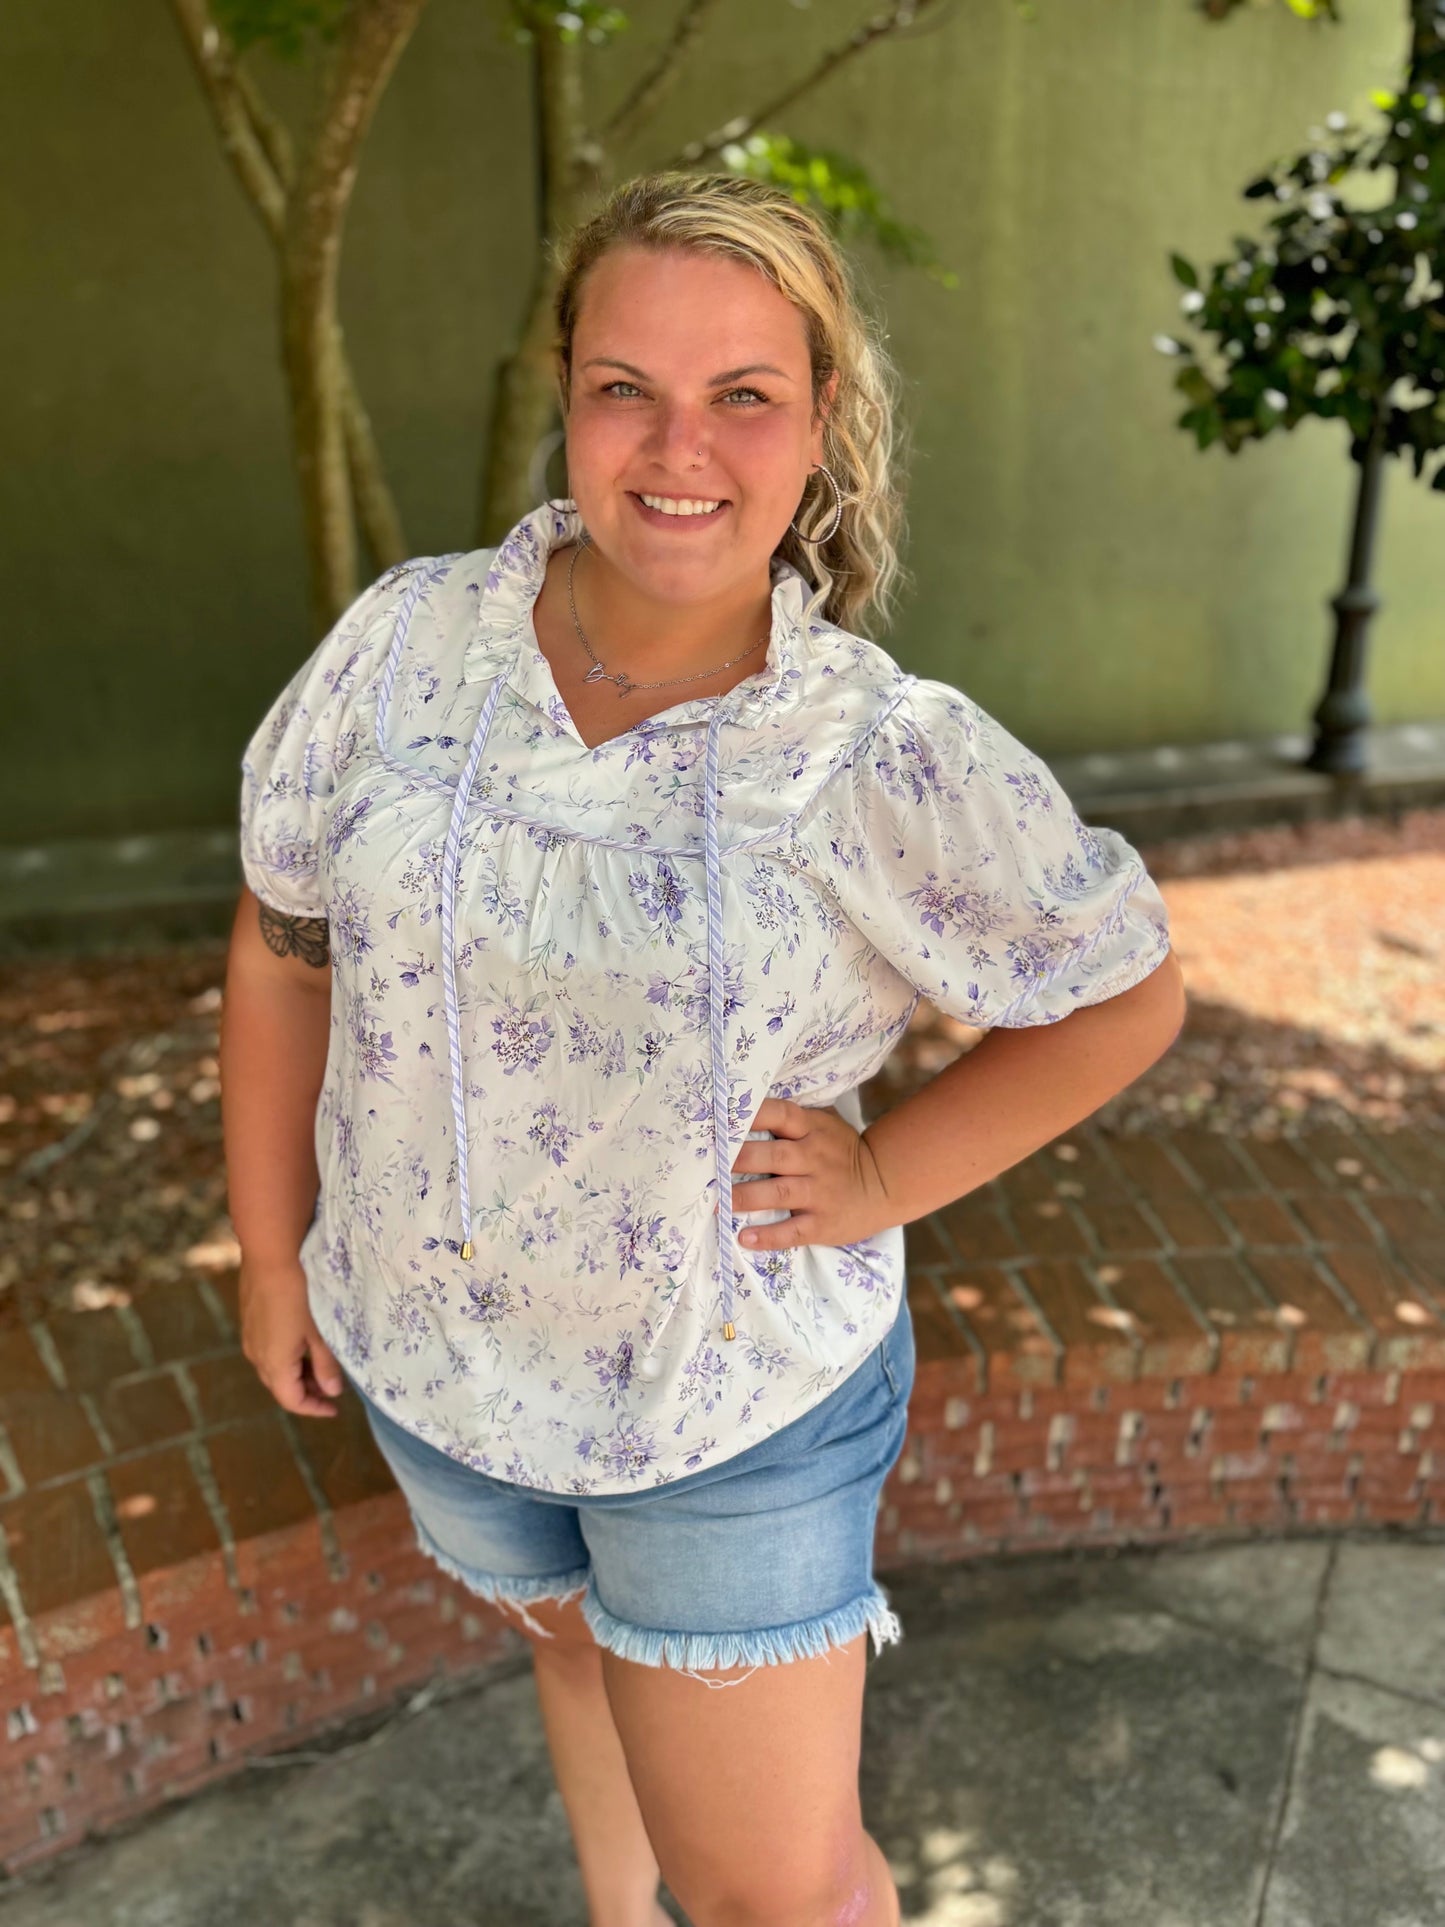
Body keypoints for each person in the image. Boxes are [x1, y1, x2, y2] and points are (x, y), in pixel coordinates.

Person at [222, 171, 1185, 1927]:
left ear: (822, 425)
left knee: (777, 1896)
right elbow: (286, 951)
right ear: (567, 401)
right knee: (590, 1682)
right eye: (626, 388)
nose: (679, 446)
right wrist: (272, 1247)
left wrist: (888, 1169)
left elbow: (1120, 993)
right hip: (446, 1374)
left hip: (719, 1411)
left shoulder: (870, 750)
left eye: (744, 392)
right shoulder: (407, 645)